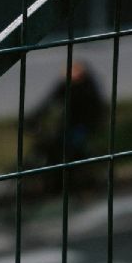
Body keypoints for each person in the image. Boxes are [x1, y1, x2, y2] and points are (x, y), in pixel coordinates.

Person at [25, 61, 105, 194]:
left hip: (84, 125)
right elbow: (49, 101)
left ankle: (74, 178)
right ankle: (57, 180)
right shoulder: (65, 85)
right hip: (68, 123)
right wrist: (33, 118)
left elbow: (95, 111)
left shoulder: (88, 87)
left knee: (70, 148)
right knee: (53, 145)